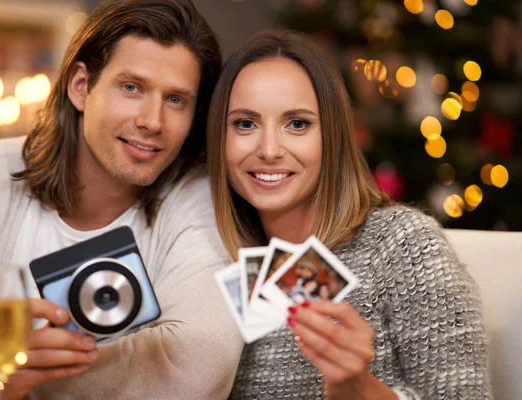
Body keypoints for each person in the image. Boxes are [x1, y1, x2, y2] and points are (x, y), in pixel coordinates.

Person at [0, 1, 244, 399]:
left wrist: (14, 369)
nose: (152, 121)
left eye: (176, 100)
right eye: (132, 87)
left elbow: (196, 367)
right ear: (80, 86)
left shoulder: (200, 201)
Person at [207, 30, 491, 399]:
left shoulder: (402, 246)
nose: (269, 150)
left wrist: (361, 390)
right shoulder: (210, 255)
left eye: (297, 124)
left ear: (334, 136)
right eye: (245, 124)